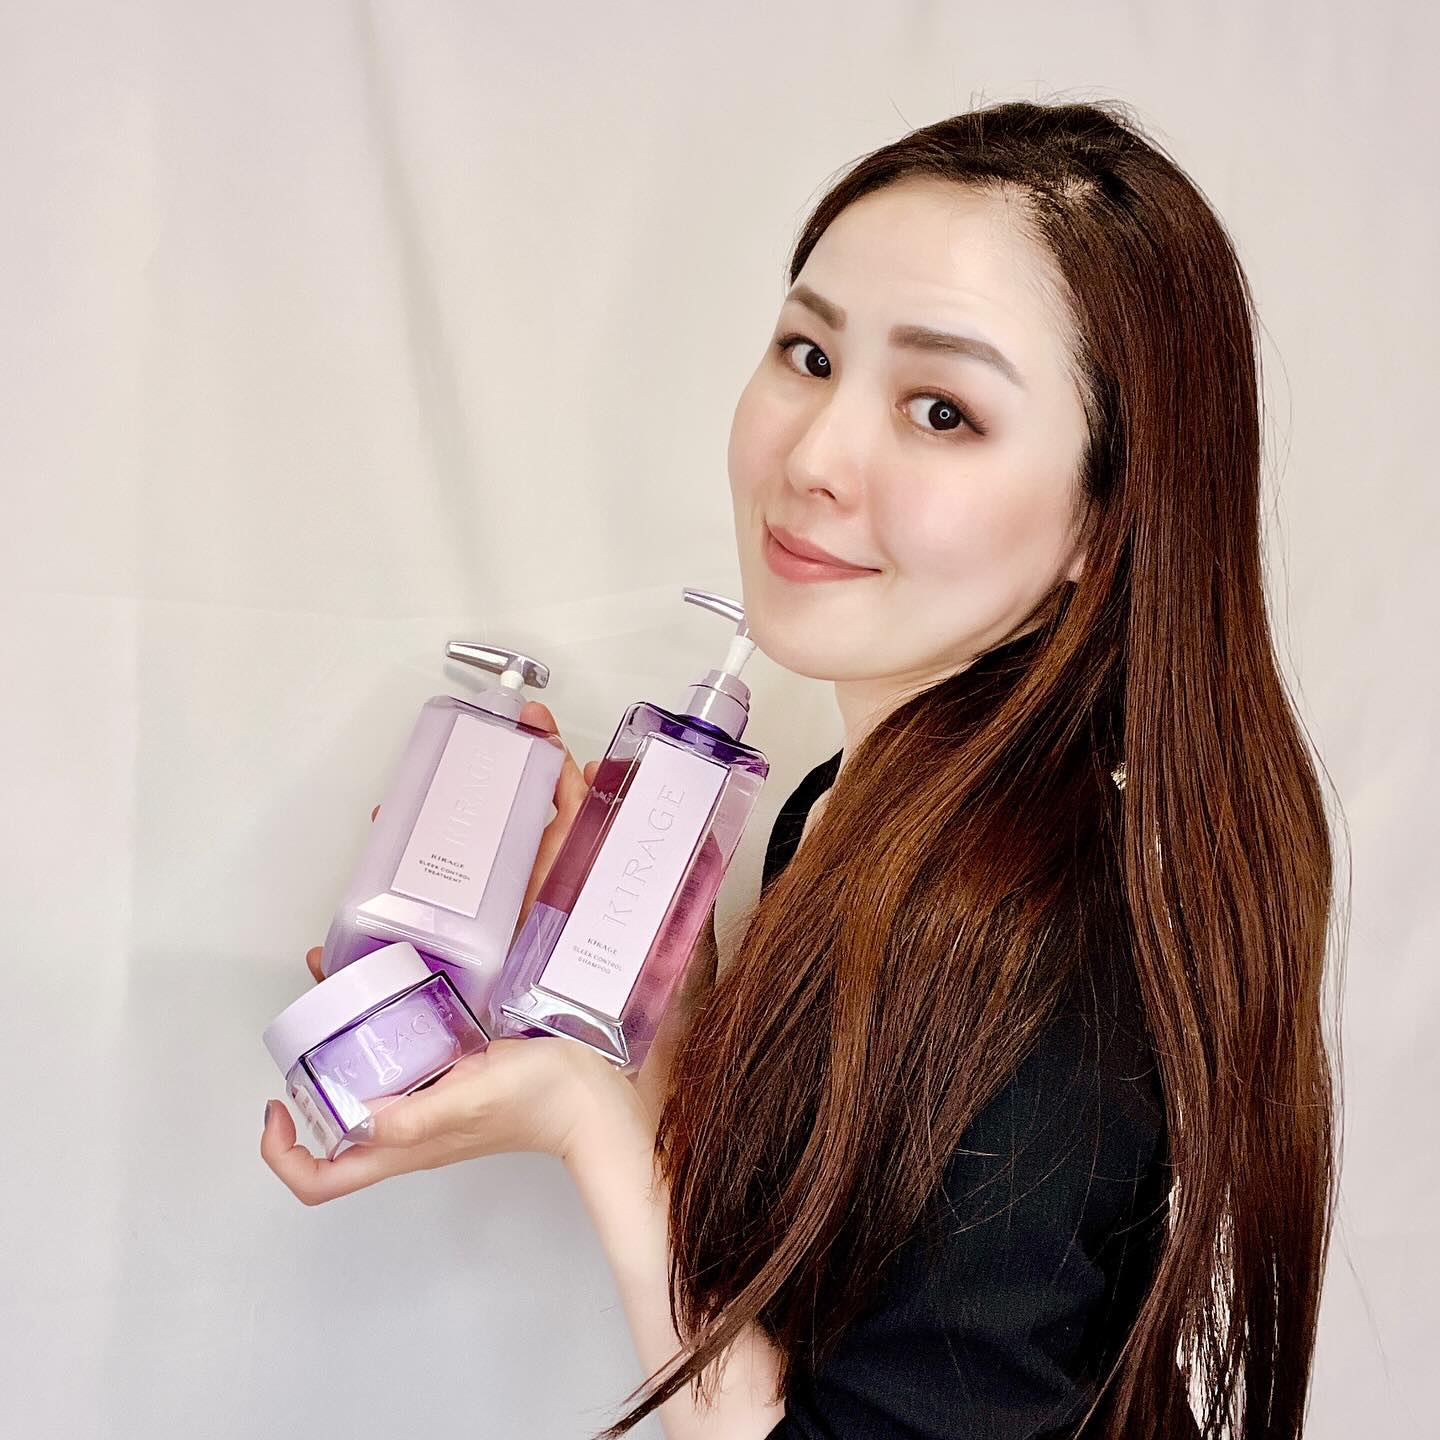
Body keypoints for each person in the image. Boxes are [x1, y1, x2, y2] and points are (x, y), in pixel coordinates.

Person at [261, 99, 1338, 1440]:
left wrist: (587, 1121)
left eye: (942, 411)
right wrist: (637, 1004)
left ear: (1103, 520)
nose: (816, 458)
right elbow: (782, 1323)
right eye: (809, 353)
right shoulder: (844, 812)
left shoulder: (1053, 968)